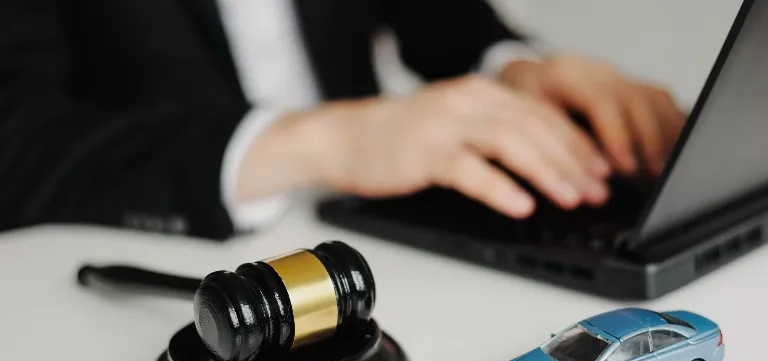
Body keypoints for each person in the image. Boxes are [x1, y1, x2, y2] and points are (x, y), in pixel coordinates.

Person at [0, 0, 685, 240]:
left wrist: (514, 67)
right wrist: (322, 139)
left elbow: (437, 19)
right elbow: (18, 141)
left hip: (376, 229)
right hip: (165, 255)